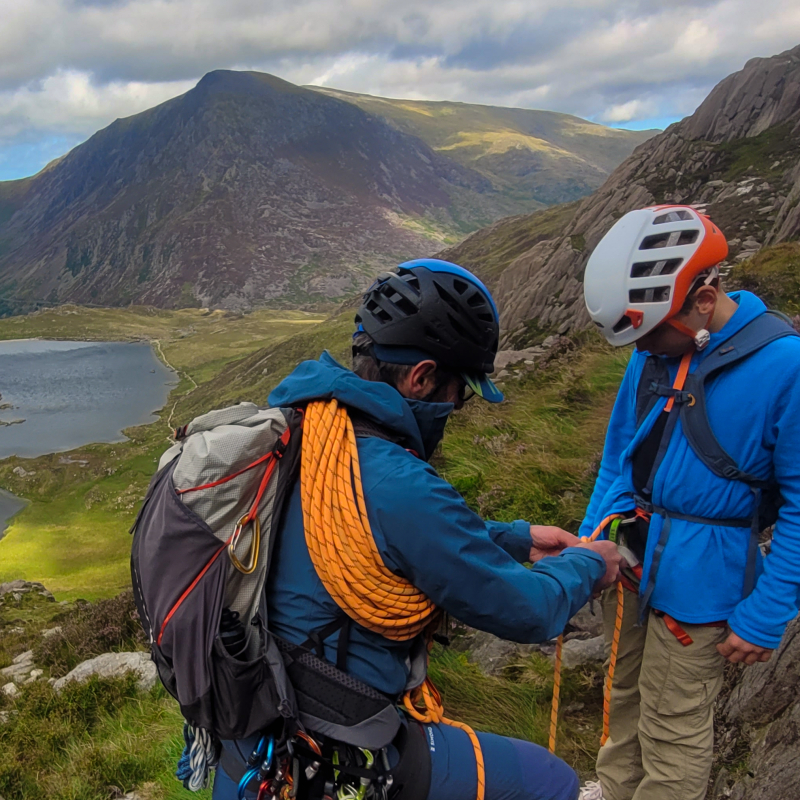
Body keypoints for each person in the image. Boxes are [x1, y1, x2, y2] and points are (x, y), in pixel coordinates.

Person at [213, 258, 624, 800]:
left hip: (249, 737)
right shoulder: (397, 480)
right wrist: (593, 563)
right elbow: (529, 610)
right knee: (552, 782)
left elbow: (379, 534)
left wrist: (519, 538)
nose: (457, 408)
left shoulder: (304, 432)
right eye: (462, 391)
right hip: (334, 751)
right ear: (422, 376)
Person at [577, 206, 800, 800]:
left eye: (653, 333)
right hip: (629, 559)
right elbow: (618, 456)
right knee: (622, 692)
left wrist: (766, 612)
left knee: (673, 723)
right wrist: (588, 544)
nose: (645, 348)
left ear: (703, 298)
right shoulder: (653, 353)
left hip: (705, 579)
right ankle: (615, 788)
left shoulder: (786, 368)